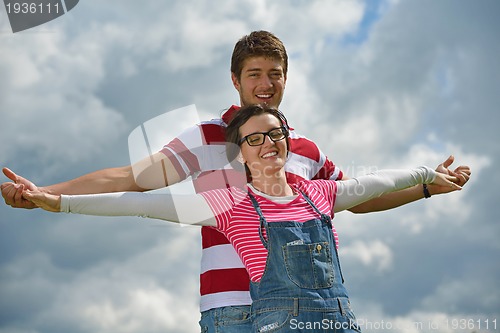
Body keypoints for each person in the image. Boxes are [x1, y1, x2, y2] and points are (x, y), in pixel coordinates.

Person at [1, 31, 470, 332]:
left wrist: (428, 186)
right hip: (230, 306)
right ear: (235, 79)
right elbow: (131, 181)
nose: (265, 84)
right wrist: (46, 193)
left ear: (286, 79)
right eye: (254, 74)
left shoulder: (303, 149)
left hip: (311, 308)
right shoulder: (206, 135)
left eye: (274, 74)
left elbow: (360, 198)